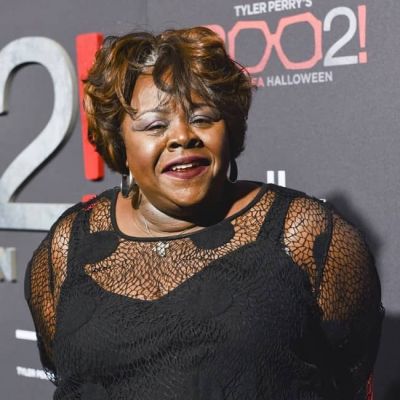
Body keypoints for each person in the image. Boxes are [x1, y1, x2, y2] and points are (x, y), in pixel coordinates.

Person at [24, 27, 384, 400]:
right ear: (120, 143)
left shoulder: (305, 235)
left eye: (202, 118)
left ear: (229, 129)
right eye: (155, 125)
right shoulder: (68, 243)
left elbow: (348, 377)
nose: (183, 136)